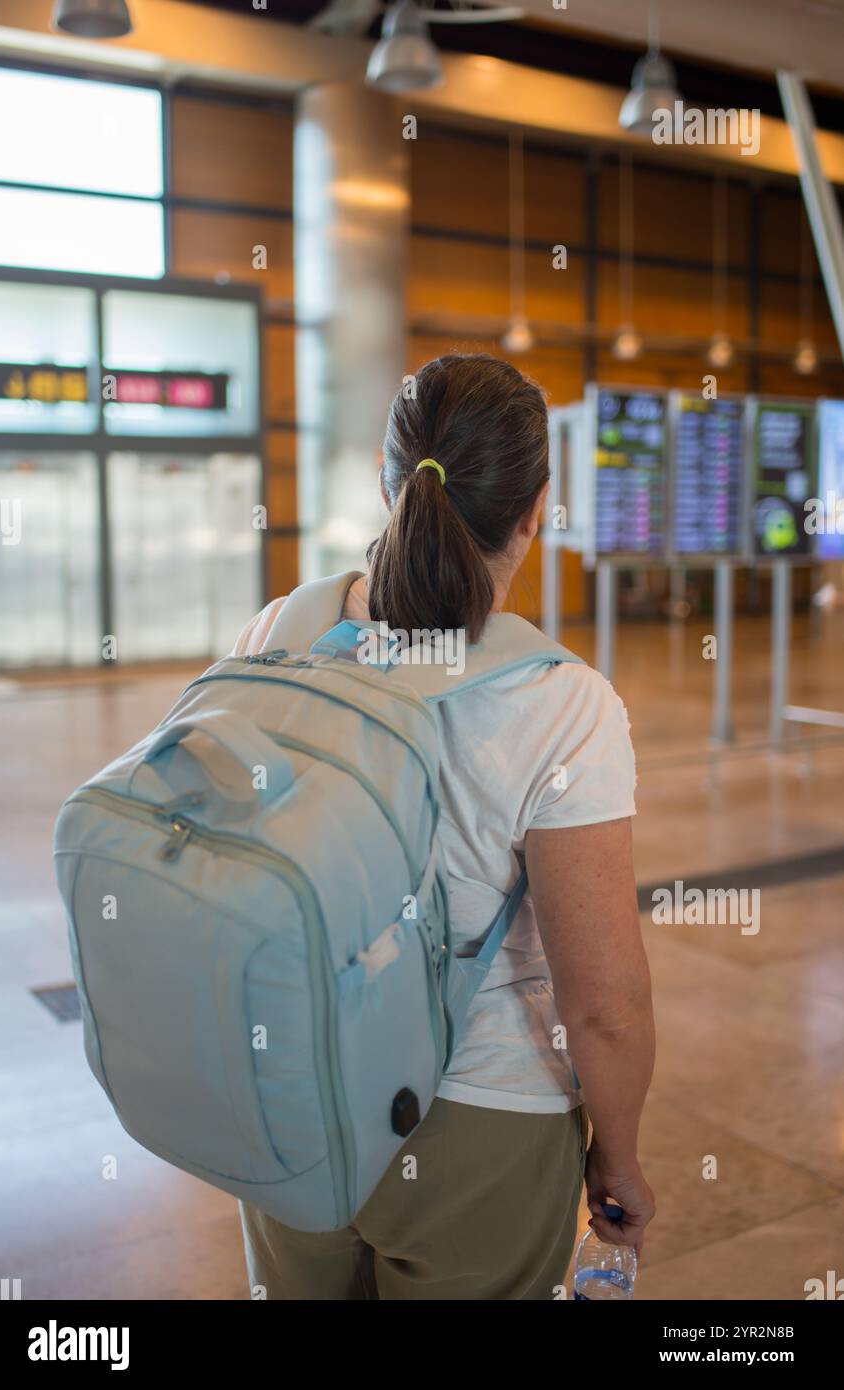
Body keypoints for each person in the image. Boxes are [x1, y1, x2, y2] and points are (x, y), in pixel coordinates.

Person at [233, 353, 656, 1300]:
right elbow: (605, 1006)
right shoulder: (564, 708)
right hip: (480, 1124)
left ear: (386, 483)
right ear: (538, 509)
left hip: (289, 1098)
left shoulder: (276, 634)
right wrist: (618, 1164)